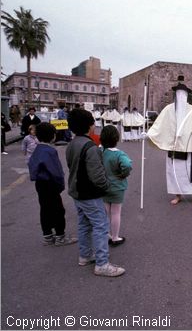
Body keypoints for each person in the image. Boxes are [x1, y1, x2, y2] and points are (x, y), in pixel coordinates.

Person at [66, 108, 125, 277]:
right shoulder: (90, 147)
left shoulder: (72, 143)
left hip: (76, 191)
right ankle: (102, 263)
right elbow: (97, 176)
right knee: (101, 226)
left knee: (84, 224)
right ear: (90, 126)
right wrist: (107, 186)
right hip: (89, 194)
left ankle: (85, 255)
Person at [147, 81, 192, 205]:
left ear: (187, 95)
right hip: (174, 146)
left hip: (189, 146)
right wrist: (149, 133)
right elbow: (159, 124)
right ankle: (178, 195)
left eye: (183, 94)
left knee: (191, 171)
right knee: (175, 172)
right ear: (175, 95)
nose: (181, 96)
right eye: (178, 94)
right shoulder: (168, 109)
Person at [28, 122, 78, 246]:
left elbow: (31, 166)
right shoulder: (50, 151)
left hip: (40, 184)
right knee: (58, 210)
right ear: (52, 136)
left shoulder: (37, 149)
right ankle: (60, 236)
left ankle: (47, 236)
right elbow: (56, 171)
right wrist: (60, 185)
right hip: (51, 183)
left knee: (44, 209)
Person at [100, 125, 132, 247]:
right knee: (116, 213)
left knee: (105, 212)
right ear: (116, 138)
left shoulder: (100, 151)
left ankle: (104, 234)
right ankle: (115, 237)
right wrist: (123, 174)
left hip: (103, 185)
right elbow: (127, 165)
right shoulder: (120, 154)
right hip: (117, 187)